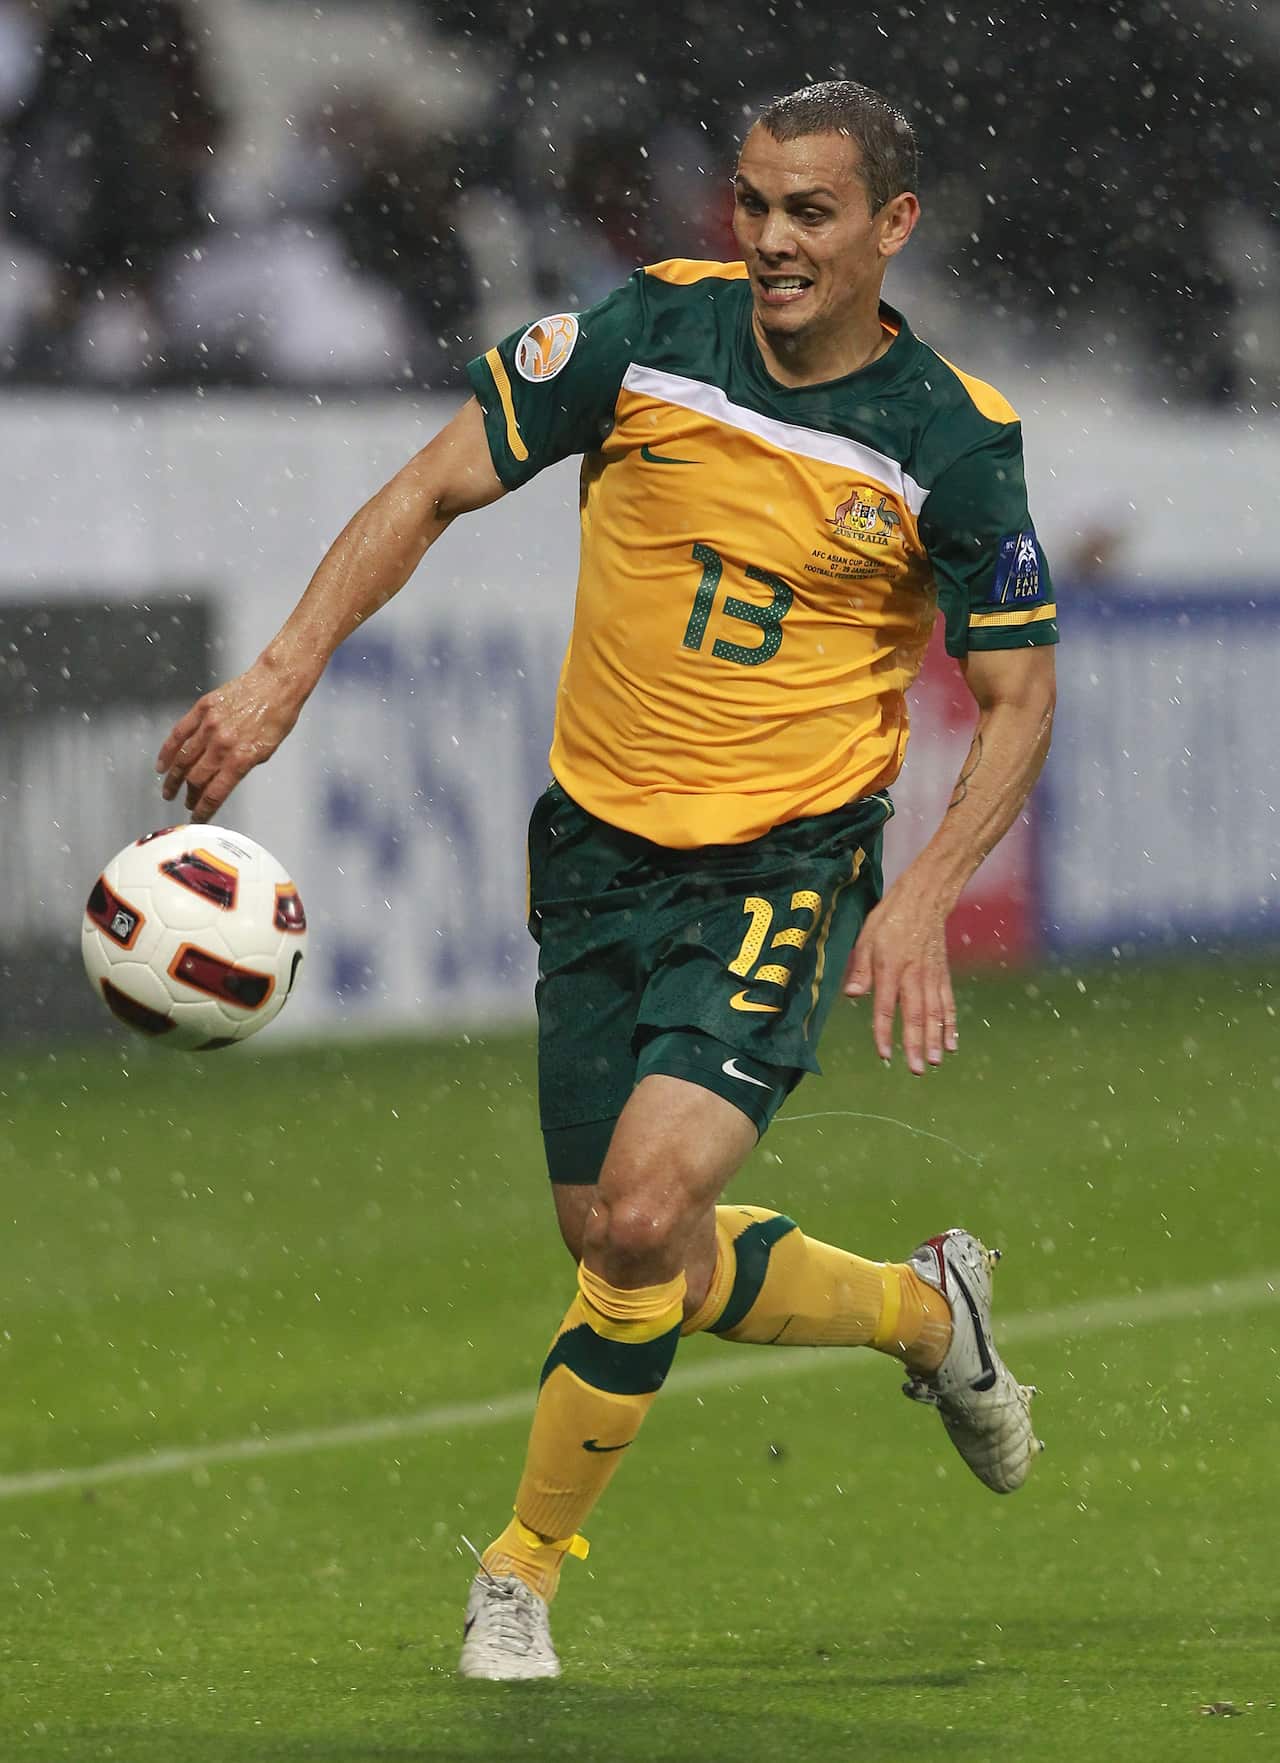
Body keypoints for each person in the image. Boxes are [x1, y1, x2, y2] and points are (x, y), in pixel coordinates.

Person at [156, 80, 1057, 1683]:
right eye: (756, 203)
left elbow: (1018, 695)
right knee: (632, 1242)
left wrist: (917, 891)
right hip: (594, 854)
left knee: (642, 1218)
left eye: (813, 213)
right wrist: (282, 676)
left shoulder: (950, 440)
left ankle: (520, 1572)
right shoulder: (645, 337)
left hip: (783, 865)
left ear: (891, 227)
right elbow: (432, 483)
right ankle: (929, 1318)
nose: (773, 241)